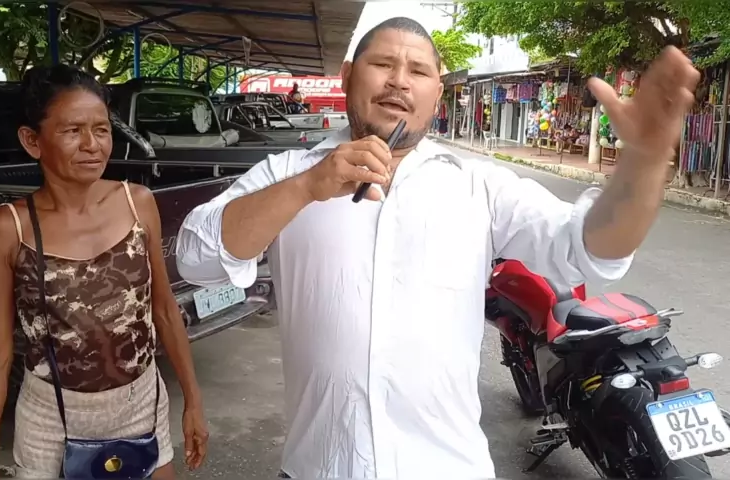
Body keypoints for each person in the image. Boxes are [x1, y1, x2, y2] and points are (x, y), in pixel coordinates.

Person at [175, 15, 698, 479]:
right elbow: (196, 258)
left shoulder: (477, 186)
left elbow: (587, 249)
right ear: (348, 76)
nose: (399, 80)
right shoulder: (289, 173)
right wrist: (307, 187)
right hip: (317, 467)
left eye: (418, 71)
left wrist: (643, 166)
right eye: (383, 64)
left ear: (437, 94)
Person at [0, 64, 209, 480]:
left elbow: (164, 311)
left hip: (141, 405)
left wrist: (193, 400)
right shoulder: (8, 229)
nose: (92, 145)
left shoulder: (138, 203)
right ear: (32, 140)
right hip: (50, 420)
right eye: (72, 131)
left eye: (101, 129)